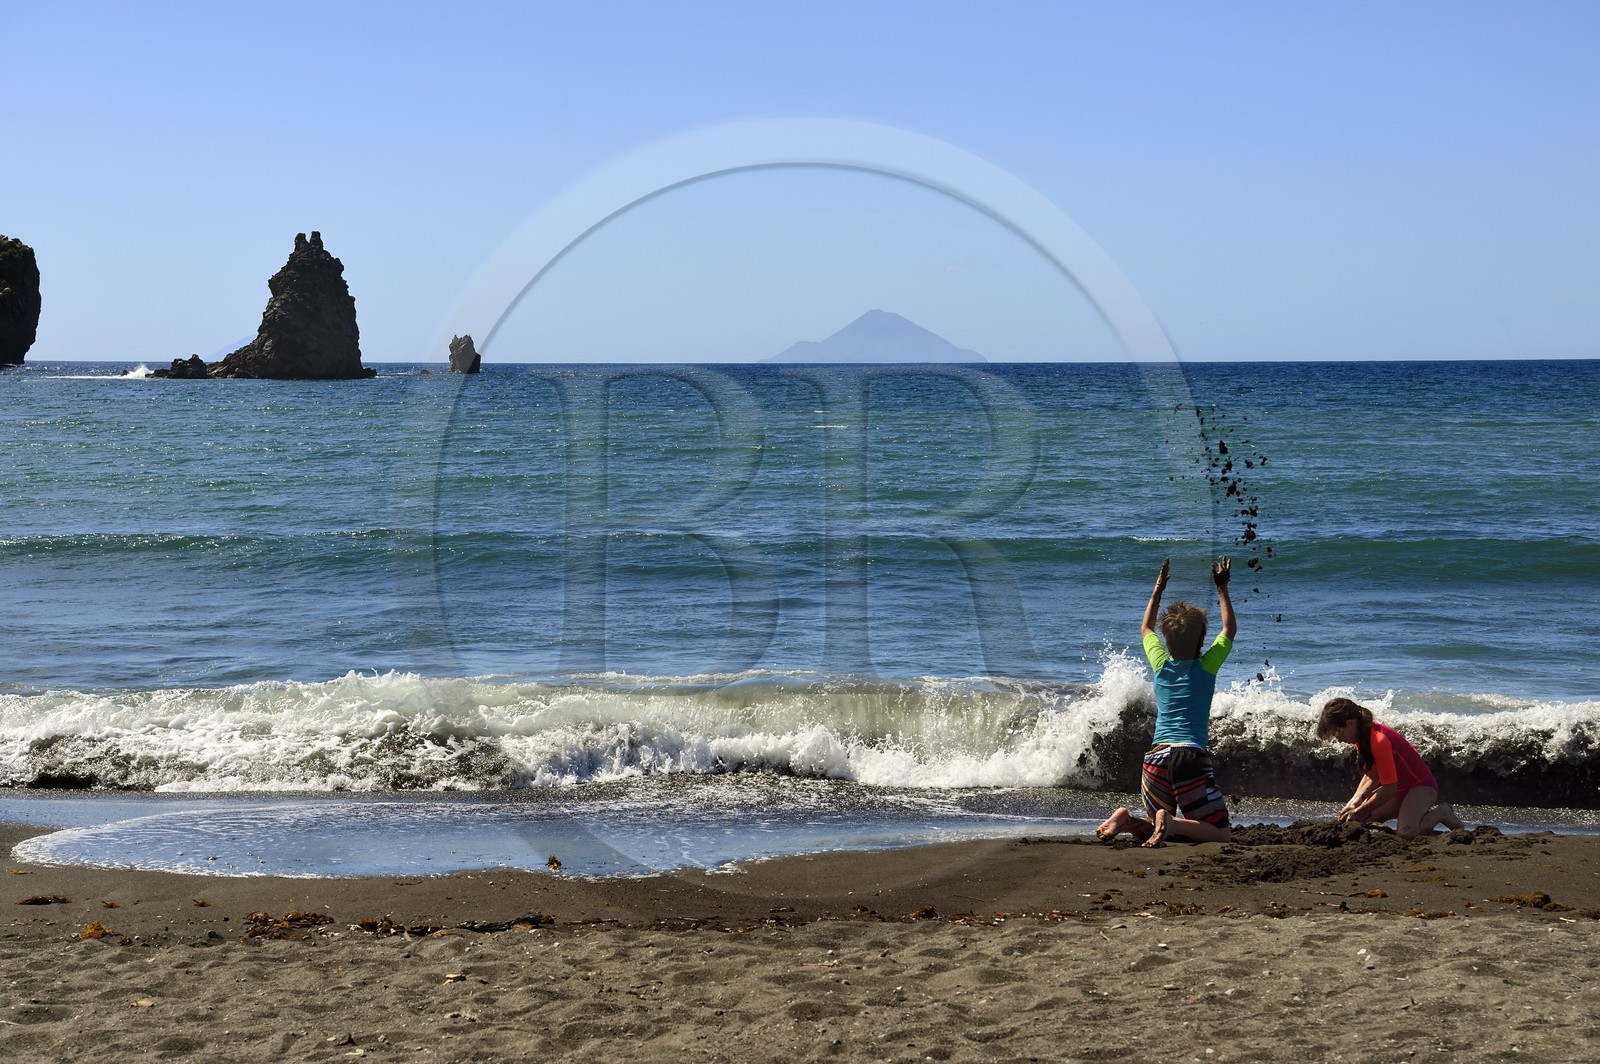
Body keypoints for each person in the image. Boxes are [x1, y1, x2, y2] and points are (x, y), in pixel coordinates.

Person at [1097, 557, 1237, 847]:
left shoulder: (1160, 663)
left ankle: (1124, 819)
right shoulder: (1207, 666)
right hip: (1190, 757)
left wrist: (1158, 589)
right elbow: (1228, 631)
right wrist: (1222, 588)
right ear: (1201, 640)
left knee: (1152, 824)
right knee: (1221, 834)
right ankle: (1170, 822)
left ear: (1167, 640)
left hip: (1156, 758)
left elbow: (1146, 628)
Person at [1315, 697, 1464, 838]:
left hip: (1421, 787)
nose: (1339, 740)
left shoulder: (1379, 740)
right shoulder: (1361, 737)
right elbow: (1372, 775)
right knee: (1362, 820)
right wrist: (1354, 802)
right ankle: (1410, 811)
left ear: (1350, 723)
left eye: (1338, 733)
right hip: (1399, 789)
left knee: (1406, 833)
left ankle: (1441, 812)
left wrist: (1362, 809)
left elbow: (1389, 788)